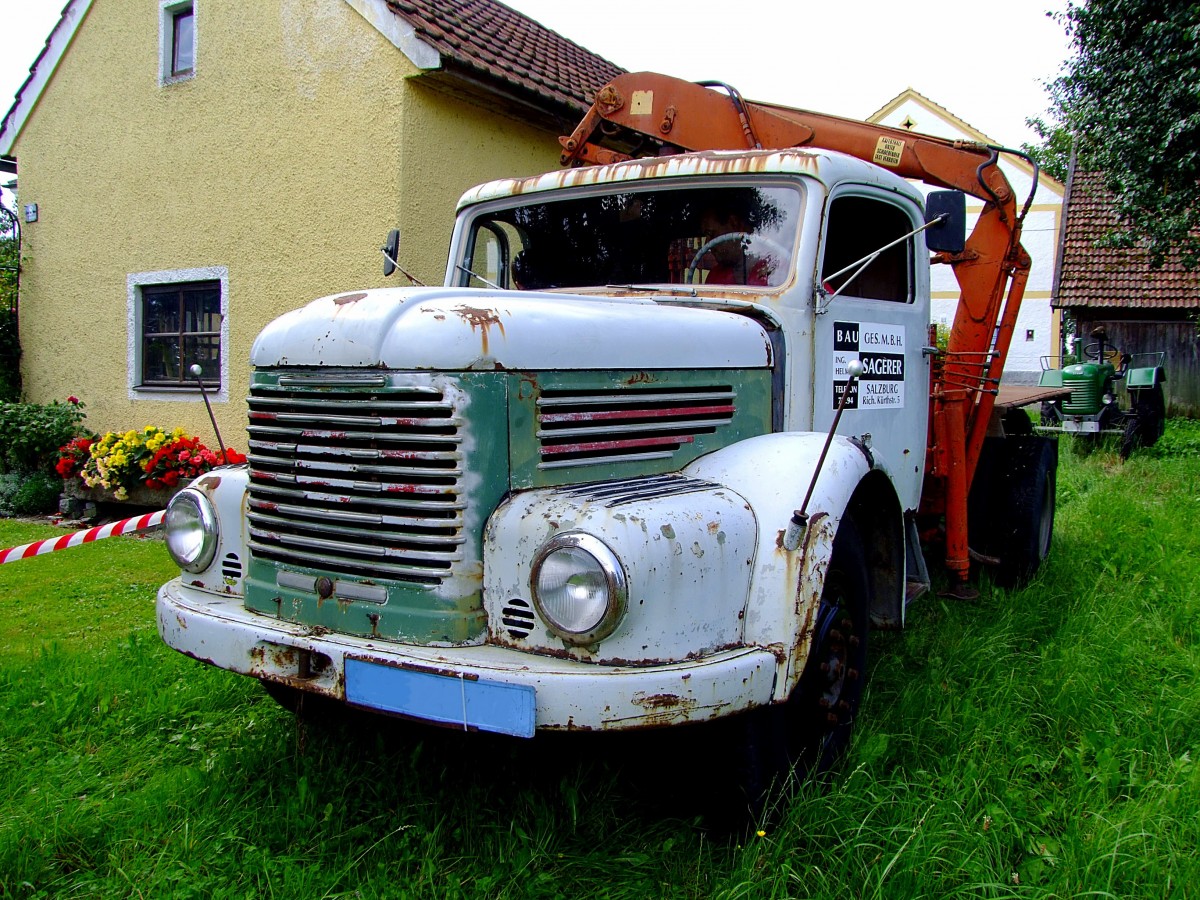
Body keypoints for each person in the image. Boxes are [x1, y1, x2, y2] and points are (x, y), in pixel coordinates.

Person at [696, 206, 772, 286]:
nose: (707, 243)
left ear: (734, 223)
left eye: (711, 233)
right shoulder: (714, 276)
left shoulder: (775, 270)